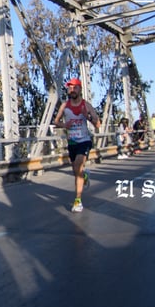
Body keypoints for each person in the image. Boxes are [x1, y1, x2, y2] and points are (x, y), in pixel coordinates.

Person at [53, 78, 101, 213]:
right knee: (76, 171)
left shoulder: (86, 105)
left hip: (84, 141)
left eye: (74, 88)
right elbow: (56, 121)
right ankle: (84, 175)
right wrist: (64, 125)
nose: (72, 90)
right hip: (72, 142)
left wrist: (88, 117)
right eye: (69, 88)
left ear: (80, 89)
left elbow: (98, 124)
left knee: (78, 165)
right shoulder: (65, 106)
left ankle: (77, 200)